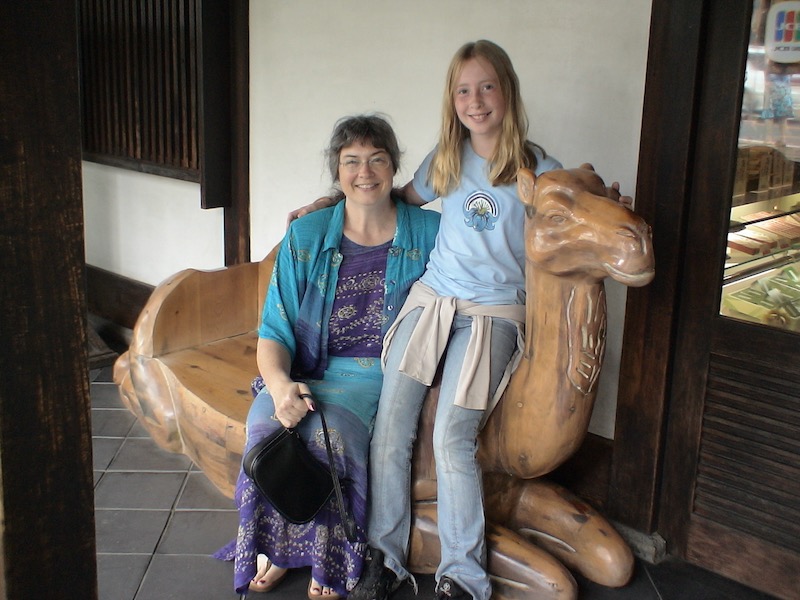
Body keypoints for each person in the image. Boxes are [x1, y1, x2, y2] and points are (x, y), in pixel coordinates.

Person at [214, 114, 439, 598]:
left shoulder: (428, 232)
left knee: (329, 435)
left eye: (377, 159)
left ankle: (328, 558)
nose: (365, 172)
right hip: (304, 370)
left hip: (375, 376)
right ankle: (275, 546)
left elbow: (486, 250)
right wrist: (278, 385)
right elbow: (274, 329)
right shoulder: (309, 235)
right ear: (337, 171)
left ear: (394, 166)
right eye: (351, 161)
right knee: (267, 428)